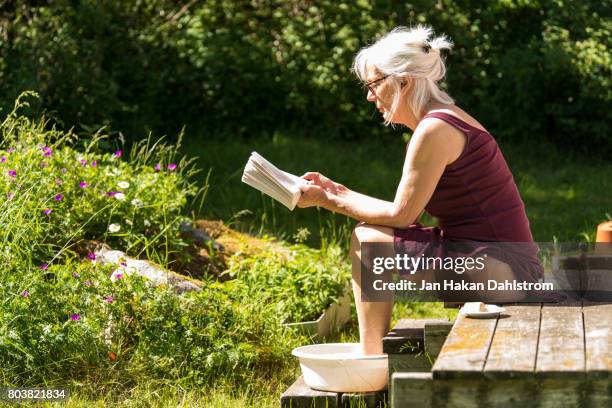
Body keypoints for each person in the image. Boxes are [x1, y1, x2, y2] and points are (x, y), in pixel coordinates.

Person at [296, 25, 544, 355]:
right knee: (372, 233)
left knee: (367, 240)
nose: (369, 95)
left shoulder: (434, 129)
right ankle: (372, 354)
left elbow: (401, 215)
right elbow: (403, 212)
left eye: (373, 84)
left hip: (501, 273)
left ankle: (371, 359)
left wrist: (326, 200)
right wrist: (336, 191)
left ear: (404, 81)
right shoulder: (446, 119)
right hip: (504, 267)